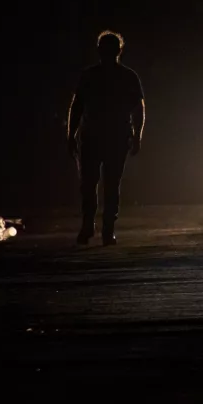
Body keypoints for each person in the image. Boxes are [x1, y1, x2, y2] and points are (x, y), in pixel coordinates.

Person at [67, 31, 145, 246]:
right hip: (102, 136)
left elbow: (77, 106)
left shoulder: (100, 75)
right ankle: (98, 227)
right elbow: (78, 105)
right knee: (101, 183)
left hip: (106, 136)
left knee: (99, 183)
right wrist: (137, 135)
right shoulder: (120, 76)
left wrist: (71, 135)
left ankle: (99, 227)